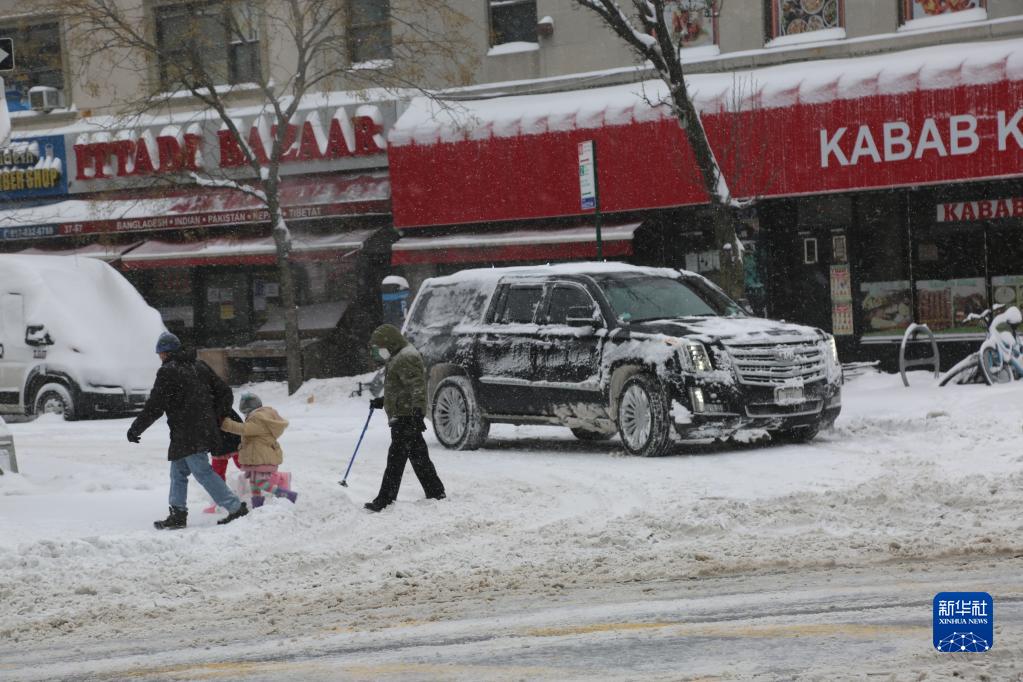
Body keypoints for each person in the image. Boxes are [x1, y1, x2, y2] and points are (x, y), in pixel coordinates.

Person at [127, 331, 249, 529]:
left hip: (187, 433)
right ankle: (178, 513)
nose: (159, 357)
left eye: (160, 354)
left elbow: (155, 406)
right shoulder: (199, 366)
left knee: (202, 472)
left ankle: (235, 507)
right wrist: (214, 415)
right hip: (198, 430)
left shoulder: (168, 371)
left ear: (165, 353)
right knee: (178, 472)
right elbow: (225, 393)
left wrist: (136, 429)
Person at [364, 324, 445, 512]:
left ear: (390, 342)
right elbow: (401, 389)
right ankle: (436, 492)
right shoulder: (398, 356)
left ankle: (385, 500)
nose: (379, 351)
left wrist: (417, 413)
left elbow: (417, 388)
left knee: (395, 460)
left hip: (406, 417)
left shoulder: (406, 357)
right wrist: (384, 401)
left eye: (381, 346)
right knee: (418, 457)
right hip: (404, 414)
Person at [220, 392, 297, 508]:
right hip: (259, 456)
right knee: (253, 482)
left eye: (245, 411)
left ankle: (286, 494)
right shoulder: (263, 415)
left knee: (260, 483)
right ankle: (257, 504)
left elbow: (244, 429)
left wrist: (226, 423)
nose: (245, 414)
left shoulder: (258, 418)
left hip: (261, 457)